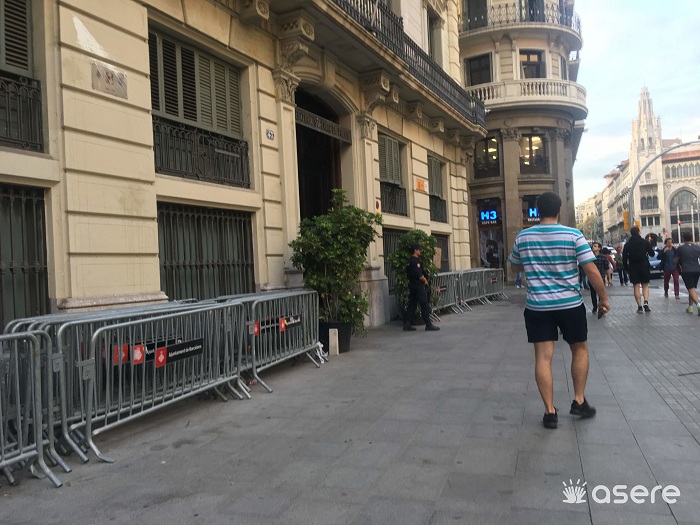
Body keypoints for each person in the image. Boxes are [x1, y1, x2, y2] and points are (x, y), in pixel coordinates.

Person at [509, 192, 606, 429]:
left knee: (543, 357)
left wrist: (533, 263)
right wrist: (603, 298)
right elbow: (591, 270)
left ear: (537, 211)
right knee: (579, 349)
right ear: (559, 210)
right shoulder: (573, 235)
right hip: (570, 305)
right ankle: (579, 401)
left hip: (538, 306)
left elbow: (514, 267)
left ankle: (549, 412)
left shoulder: (523, 237)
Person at [403, 244, 440, 331]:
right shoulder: (416, 262)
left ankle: (407, 324)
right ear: (415, 250)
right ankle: (428, 324)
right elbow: (419, 275)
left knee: (412, 305)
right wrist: (425, 281)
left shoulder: (409, 261)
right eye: (419, 249)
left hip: (412, 285)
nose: (420, 251)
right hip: (418, 285)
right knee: (424, 304)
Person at [622, 226, 654, 314]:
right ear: (639, 232)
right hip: (644, 265)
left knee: (636, 286)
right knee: (645, 285)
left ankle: (639, 306)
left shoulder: (628, 244)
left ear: (631, 233)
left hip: (633, 266)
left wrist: (626, 268)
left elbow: (624, 258)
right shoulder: (645, 242)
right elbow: (652, 253)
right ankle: (646, 302)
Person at [674, 232, 700, 314]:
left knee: (690, 288)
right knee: (692, 289)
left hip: (686, 270)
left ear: (683, 238)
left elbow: (675, 261)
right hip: (697, 270)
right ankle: (690, 307)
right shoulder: (697, 247)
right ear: (692, 237)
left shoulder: (681, 248)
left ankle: (698, 305)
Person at [589, 242, 609, 314]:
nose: (593, 247)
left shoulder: (603, 257)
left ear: (599, 248)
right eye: (593, 246)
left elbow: (607, 268)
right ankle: (594, 307)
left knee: (601, 293)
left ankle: (601, 307)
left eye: (595, 246)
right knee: (593, 293)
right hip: (591, 278)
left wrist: (609, 278)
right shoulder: (590, 257)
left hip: (601, 278)